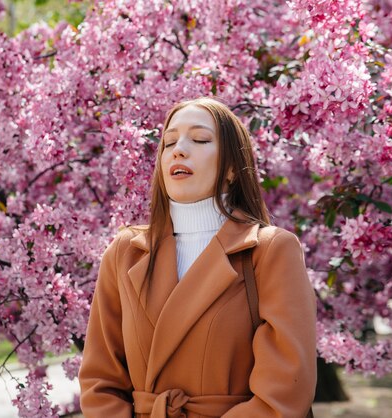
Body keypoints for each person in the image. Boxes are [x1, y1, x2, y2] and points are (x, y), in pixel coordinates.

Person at [78, 97, 317, 418]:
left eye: (200, 139)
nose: (179, 149)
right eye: (169, 142)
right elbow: (98, 381)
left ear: (233, 166)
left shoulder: (269, 251)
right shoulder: (125, 252)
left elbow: (284, 390)